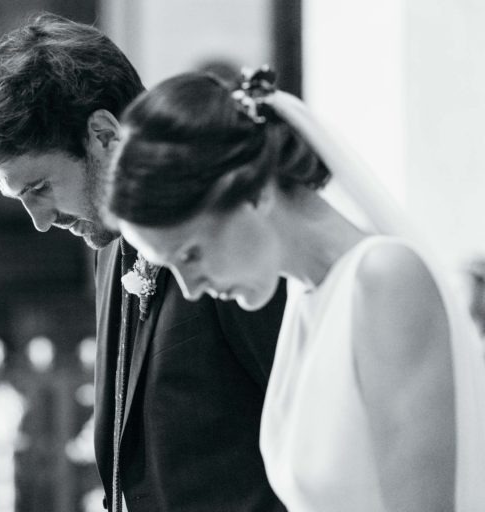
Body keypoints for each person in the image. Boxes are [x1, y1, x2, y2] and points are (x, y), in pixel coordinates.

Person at [0, 13, 287, 512]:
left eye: (40, 188)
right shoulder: (107, 245)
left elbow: (304, 431)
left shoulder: (222, 230)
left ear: (104, 135)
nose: (41, 222)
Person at [103, 68, 485, 511]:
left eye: (190, 255)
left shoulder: (384, 279)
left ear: (256, 195)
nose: (190, 289)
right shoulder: (304, 300)